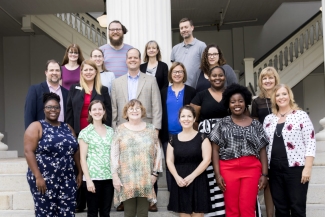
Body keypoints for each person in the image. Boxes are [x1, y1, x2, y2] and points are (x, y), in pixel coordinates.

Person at [111, 48, 162, 212]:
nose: (132, 60)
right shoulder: (117, 82)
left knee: (148, 164)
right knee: (126, 167)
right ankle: (125, 199)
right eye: (130, 57)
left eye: (135, 57)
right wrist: (115, 132)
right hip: (124, 132)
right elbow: (113, 109)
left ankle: (150, 200)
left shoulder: (151, 80)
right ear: (126, 60)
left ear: (140, 60)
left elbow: (157, 107)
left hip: (146, 132)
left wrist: (157, 130)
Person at [209, 83, 269, 217]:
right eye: (233, 102)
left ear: (246, 102)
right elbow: (214, 150)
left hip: (252, 169)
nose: (237, 104)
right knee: (232, 209)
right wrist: (217, 174)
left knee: (247, 208)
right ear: (228, 104)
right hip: (228, 168)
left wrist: (264, 175)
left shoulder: (255, 124)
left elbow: (263, 150)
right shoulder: (222, 124)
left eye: (240, 101)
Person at [24, 93, 82, 217]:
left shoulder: (67, 127)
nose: (53, 110)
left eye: (56, 107)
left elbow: (76, 150)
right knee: (46, 213)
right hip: (44, 178)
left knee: (67, 212)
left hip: (67, 178)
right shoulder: (36, 127)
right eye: (49, 107)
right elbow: (29, 152)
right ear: (44, 109)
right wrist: (38, 177)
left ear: (60, 109)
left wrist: (79, 172)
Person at [263, 84, 316, 217]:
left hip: (296, 167)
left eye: (284, 94)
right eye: (278, 95)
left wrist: (308, 168)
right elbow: (264, 145)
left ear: (289, 96)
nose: (281, 97)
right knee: (281, 208)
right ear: (274, 98)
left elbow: (310, 141)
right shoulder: (269, 119)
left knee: (297, 206)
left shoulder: (300, 115)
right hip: (274, 167)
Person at [111, 99, 162, 217]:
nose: (135, 111)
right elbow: (114, 153)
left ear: (142, 111)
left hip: (145, 177)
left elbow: (158, 152)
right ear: (126, 112)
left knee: (143, 213)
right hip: (126, 178)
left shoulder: (151, 129)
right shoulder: (120, 129)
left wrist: (155, 173)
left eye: (137, 108)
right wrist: (115, 176)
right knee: (129, 213)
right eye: (131, 109)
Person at [190, 66, 228, 216]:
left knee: (225, 173)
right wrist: (203, 134)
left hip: (228, 142)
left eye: (220, 75)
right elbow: (193, 118)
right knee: (211, 175)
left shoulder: (231, 94)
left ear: (225, 77)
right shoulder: (201, 95)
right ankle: (212, 212)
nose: (217, 78)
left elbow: (242, 115)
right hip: (207, 142)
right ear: (209, 78)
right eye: (214, 75)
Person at [166, 105, 212, 216]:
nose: (186, 119)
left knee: (197, 214)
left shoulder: (202, 137)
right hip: (180, 182)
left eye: (189, 116)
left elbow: (207, 159)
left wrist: (192, 176)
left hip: (198, 180)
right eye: (183, 116)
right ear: (179, 119)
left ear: (194, 119)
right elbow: (169, 161)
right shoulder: (173, 139)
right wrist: (177, 177)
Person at [160, 62, 196, 191]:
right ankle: (173, 193)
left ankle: (186, 190)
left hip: (186, 134)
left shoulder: (191, 91)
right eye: (175, 71)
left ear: (184, 74)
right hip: (168, 135)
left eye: (180, 71)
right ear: (170, 74)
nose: (177, 74)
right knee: (170, 165)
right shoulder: (163, 91)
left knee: (185, 163)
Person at [251, 66, 280, 217]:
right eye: (264, 78)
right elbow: (254, 126)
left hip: (282, 146)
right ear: (260, 82)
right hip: (264, 148)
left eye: (270, 77)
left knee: (280, 183)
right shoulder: (257, 102)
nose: (267, 81)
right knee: (267, 182)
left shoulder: (282, 97)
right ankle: (269, 214)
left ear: (275, 79)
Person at [79, 100, 114, 217]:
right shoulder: (85, 132)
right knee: (92, 213)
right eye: (94, 109)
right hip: (93, 178)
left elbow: (113, 155)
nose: (97, 112)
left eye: (100, 109)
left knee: (106, 212)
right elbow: (82, 159)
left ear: (104, 111)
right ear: (89, 112)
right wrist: (88, 180)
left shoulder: (111, 131)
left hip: (109, 178)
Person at [66, 59, 112, 135]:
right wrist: (70, 132)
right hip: (78, 130)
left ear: (96, 72)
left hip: (98, 132)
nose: (88, 72)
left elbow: (108, 113)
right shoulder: (74, 88)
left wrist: (106, 132)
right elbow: (69, 112)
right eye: (86, 70)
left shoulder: (103, 90)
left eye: (91, 69)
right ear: (82, 72)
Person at [24, 60, 69, 129]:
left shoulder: (67, 93)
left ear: (60, 73)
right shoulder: (35, 90)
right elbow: (29, 115)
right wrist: (31, 134)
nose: (54, 73)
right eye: (51, 70)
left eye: (57, 70)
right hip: (42, 134)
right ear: (46, 72)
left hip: (62, 133)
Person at [171, 18, 206, 88]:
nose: (184, 30)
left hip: (196, 88)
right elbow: (173, 69)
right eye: (181, 28)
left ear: (192, 28)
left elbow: (206, 67)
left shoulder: (201, 46)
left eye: (186, 27)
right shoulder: (175, 49)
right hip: (180, 89)